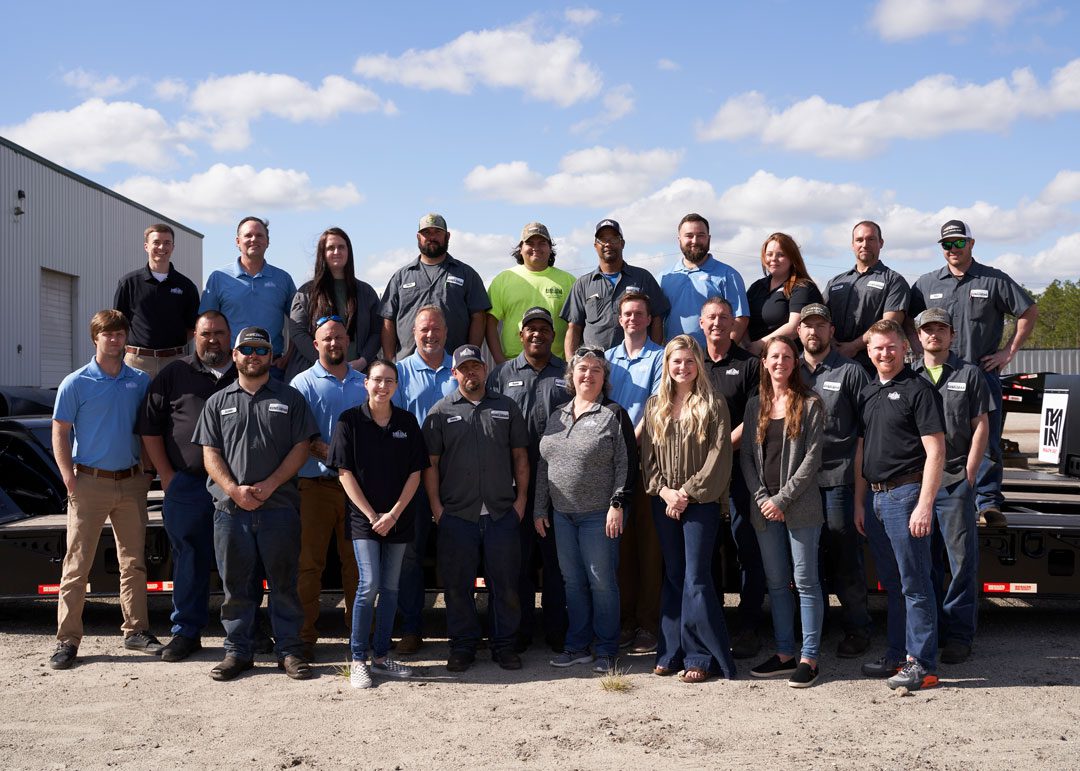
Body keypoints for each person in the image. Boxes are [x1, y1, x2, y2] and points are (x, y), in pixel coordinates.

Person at [192, 327, 320, 682]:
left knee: (285, 584)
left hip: (279, 508)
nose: (253, 355)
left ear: (270, 356)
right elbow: (209, 452)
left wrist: (270, 484)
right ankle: (238, 652)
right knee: (236, 586)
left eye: (261, 349)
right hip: (230, 512)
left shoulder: (290, 398)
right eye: (246, 349)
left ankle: (290, 651)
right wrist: (233, 490)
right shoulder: (218, 401)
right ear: (235, 355)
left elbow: (301, 447)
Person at [48, 310, 160, 670]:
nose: (114, 339)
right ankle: (67, 640)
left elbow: (147, 429)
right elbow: (60, 430)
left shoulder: (139, 380)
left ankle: (136, 631)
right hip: (89, 483)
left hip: (130, 482)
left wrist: (146, 472)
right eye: (107, 334)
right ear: (94, 338)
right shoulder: (76, 382)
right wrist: (68, 476)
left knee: (134, 563)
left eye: (119, 333)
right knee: (76, 565)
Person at [908, 219, 1038, 526]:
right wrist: (917, 352)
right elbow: (906, 319)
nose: (953, 249)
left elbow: (1028, 310)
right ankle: (928, 493)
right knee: (930, 437)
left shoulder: (993, 280)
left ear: (971, 244)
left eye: (958, 242)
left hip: (980, 374)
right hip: (937, 377)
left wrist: (1008, 351)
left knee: (987, 438)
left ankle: (987, 503)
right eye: (947, 245)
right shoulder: (927, 284)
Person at [422, 344, 531, 673]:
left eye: (476, 366)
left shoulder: (507, 408)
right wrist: (437, 508)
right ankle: (463, 645)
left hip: (501, 513)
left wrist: (521, 501)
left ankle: (504, 645)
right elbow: (431, 465)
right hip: (457, 515)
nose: (471, 372)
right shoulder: (440, 412)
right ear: (454, 373)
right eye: (464, 368)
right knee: (457, 586)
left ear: (485, 370)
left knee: (506, 585)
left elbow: (521, 458)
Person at [139, 310, 236, 662]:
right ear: (194, 336)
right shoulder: (174, 374)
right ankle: (186, 633)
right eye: (206, 333)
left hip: (235, 488)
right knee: (188, 560)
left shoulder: (246, 372)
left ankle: (244, 633)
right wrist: (166, 474)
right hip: (188, 485)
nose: (214, 340)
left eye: (220, 334)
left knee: (239, 561)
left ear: (231, 335)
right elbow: (149, 427)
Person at [327, 358, 429, 689]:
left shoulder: (407, 422)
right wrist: (373, 516)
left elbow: (416, 473)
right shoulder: (349, 421)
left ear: (397, 386)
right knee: (368, 585)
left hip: (398, 518)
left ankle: (382, 657)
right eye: (377, 380)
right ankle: (358, 659)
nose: (382, 386)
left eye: (389, 381)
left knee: (391, 588)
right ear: (365, 383)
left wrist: (394, 514)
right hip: (363, 519)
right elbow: (345, 473)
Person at [855, 319, 945, 691]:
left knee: (916, 583)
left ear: (904, 349)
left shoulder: (918, 390)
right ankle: (898, 655)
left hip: (907, 496)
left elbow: (936, 450)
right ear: (869, 351)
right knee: (894, 584)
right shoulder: (869, 391)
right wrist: (861, 502)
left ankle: (922, 665)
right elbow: (862, 450)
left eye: (891, 346)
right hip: (876, 500)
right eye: (878, 348)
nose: (885, 353)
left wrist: (924, 505)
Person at [641, 335, 737, 684]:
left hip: (701, 504)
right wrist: (665, 492)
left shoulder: (713, 404)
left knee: (696, 579)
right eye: (676, 362)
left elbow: (719, 457)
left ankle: (702, 656)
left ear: (699, 364)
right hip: (665, 503)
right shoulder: (655, 406)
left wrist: (686, 492)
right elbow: (647, 459)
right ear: (667, 365)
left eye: (689, 361)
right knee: (673, 576)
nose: (682, 368)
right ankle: (670, 652)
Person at [534, 347, 635, 674]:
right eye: (582, 369)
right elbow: (543, 464)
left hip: (599, 515)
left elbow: (626, 464)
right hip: (563, 516)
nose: (588, 375)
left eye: (595, 370)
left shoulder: (614, 414)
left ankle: (606, 649)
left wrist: (617, 504)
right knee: (573, 582)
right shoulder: (557, 414)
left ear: (604, 378)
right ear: (571, 376)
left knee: (602, 582)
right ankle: (577, 646)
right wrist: (540, 508)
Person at [741, 336, 825, 688]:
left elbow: (813, 458)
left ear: (795, 362)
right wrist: (763, 497)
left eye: (786, 356)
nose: (779, 362)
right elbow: (746, 455)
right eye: (773, 356)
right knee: (776, 584)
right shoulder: (754, 405)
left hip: (800, 508)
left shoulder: (811, 403)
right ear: (764, 362)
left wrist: (782, 499)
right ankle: (784, 653)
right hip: (764, 509)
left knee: (805, 582)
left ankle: (809, 658)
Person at [486, 307, 570, 653]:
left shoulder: (567, 373)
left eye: (544, 329)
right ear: (520, 335)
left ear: (554, 335)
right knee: (515, 563)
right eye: (530, 329)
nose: (537, 334)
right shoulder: (502, 374)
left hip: (559, 484)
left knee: (556, 563)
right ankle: (516, 631)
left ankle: (556, 631)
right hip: (512, 486)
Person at [912, 308, 990, 665]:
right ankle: (935, 630)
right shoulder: (908, 374)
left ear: (952, 336)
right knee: (924, 563)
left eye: (940, 329)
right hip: (916, 483)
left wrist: (971, 473)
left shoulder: (969, 374)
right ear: (918, 336)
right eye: (927, 330)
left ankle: (960, 635)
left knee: (961, 563)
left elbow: (981, 425)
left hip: (955, 479)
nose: (934, 335)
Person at [797, 303, 873, 658]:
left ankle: (858, 629)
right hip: (798, 483)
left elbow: (864, 433)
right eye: (807, 326)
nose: (813, 332)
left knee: (845, 557)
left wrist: (860, 495)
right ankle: (816, 626)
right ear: (799, 331)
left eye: (820, 326)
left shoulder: (851, 372)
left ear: (831, 331)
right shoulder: (788, 370)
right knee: (807, 561)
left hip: (838, 478)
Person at [289, 316, 367, 660]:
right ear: (315, 344)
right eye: (326, 339)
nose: (333, 343)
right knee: (310, 565)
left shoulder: (364, 383)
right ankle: (305, 637)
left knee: (357, 566)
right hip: (315, 487)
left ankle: (359, 636)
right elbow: (301, 436)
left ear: (347, 341)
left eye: (338, 337)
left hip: (357, 490)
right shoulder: (302, 384)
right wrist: (338, 458)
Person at [698, 297, 765, 658]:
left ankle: (749, 626)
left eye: (724, 317)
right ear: (701, 322)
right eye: (711, 317)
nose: (718, 323)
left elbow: (755, 417)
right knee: (705, 549)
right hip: (701, 474)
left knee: (745, 548)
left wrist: (721, 450)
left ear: (734, 323)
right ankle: (711, 624)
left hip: (740, 468)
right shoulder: (693, 364)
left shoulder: (751, 365)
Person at [391, 305, 458, 653]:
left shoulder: (460, 371)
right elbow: (397, 427)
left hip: (456, 480)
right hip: (413, 480)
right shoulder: (399, 373)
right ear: (412, 334)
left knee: (457, 556)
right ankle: (412, 628)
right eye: (423, 330)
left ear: (446, 331)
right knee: (411, 557)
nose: (430, 335)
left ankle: (461, 630)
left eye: (436, 329)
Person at [604, 291, 664, 654]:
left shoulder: (660, 356)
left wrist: (626, 444)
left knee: (649, 547)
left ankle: (648, 623)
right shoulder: (608, 359)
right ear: (619, 318)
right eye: (627, 313)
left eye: (639, 313)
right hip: (612, 463)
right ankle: (625, 621)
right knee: (620, 547)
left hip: (645, 462)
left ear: (648, 318)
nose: (632, 319)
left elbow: (654, 408)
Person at [380, 213, 490, 360]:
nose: (432, 237)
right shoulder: (400, 277)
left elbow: (479, 317)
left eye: (437, 232)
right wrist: (390, 362)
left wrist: (469, 358)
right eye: (426, 233)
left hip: (454, 366)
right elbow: (388, 320)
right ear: (418, 237)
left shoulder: (466, 274)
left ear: (447, 236)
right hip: (407, 367)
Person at [200, 217, 297, 378]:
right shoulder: (218, 278)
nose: (254, 239)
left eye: (259, 235)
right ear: (238, 241)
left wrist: (288, 356)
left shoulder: (283, 279)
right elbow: (206, 325)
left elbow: (297, 323)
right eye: (248, 235)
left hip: (271, 367)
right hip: (228, 366)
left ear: (267, 242)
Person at [286, 227, 381, 380]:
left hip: (358, 375)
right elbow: (298, 332)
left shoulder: (366, 292)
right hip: (316, 376)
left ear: (348, 252)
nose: (336, 251)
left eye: (341, 247)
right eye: (331, 248)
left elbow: (377, 332)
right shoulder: (306, 293)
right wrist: (324, 362)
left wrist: (363, 361)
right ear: (322, 254)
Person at [561, 218, 668, 353]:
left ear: (622, 244)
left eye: (613, 239)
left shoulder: (643, 278)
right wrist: (572, 365)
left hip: (635, 362)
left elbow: (657, 320)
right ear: (595, 246)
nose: (607, 244)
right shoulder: (582, 284)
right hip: (595, 367)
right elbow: (574, 328)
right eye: (602, 240)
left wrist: (652, 356)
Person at [114, 223, 200, 377]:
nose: (162, 247)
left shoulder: (186, 286)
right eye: (156, 242)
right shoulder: (128, 283)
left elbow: (192, 326)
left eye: (167, 243)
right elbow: (118, 324)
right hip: (137, 362)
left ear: (173, 247)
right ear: (146, 246)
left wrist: (170, 348)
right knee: (136, 402)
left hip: (174, 361)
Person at [824, 221, 909, 371]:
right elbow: (821, 317)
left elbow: (890, 324)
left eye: (871, 239)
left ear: (881, 243)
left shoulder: (894, 281)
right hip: (834, 363)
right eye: (859, 240)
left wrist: (853, 347)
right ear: (852, 244)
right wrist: (831, 342)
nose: (865, 244)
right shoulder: (835, 282)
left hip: (873, 367)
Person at [486, 223, 576, 362]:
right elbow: (489, 323)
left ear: (550, 248)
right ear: (521, 248)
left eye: (542, 243)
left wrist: (570, 363)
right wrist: (500, 363)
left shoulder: (569, 281)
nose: (536, 248)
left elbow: (576, 326)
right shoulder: (503, 279)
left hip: (557, 366)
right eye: (530, 243)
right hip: (513, 364)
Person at [661, 213, 749, 346]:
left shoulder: (728, 275)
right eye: (689, 236)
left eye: (700, 235)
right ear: (679, 239)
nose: (695, 241)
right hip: (676, 361)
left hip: (712, 361)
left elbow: (740, 319)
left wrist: (723, 355)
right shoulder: (664, 277)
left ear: (709, 238)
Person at [743, 232, 823, 355]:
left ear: (792, 258)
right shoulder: (756, 287)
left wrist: (760, 345)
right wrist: (748, 347)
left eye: (780, 255)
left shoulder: (802, 287)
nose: (773, 259)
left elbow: (794, 328)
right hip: (755, 358)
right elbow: (744, 319)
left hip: (788, 358)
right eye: (769, 254)